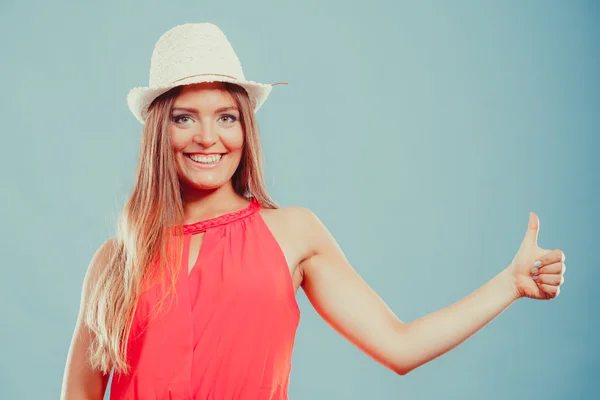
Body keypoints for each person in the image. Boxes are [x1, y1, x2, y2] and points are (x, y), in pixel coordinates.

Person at [60, 23, 567, 400]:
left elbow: (399, 346)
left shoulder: (293, 233)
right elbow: (80, 394)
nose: (208, 138)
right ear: (158, 134)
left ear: (245, 130)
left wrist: (511, 284)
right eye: (185, 118)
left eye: (226, 117)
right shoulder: (116, 259)